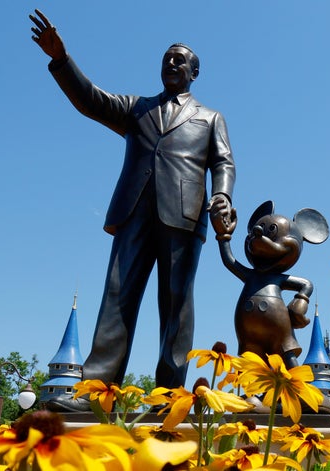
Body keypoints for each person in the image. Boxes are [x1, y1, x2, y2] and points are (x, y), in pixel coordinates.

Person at [29, 10, 235, 411]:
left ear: (195, 72)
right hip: (133, 212)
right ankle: (97, 394)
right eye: (166, 57)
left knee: (176, 305)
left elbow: (223, 162)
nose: (171, 62)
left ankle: (168, 397)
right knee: (117, 298)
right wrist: (61, 59)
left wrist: (223, 195)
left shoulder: (210, 118)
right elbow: (91, 100)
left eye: (180, 59)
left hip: (185, 215)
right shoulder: (136, 108)